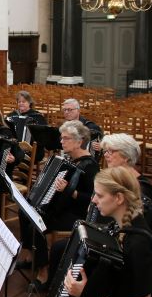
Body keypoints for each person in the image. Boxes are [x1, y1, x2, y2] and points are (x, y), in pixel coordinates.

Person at [64, 166, 152, 297]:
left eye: (99, 195)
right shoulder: (121, 226)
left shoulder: (139, 245)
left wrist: (87, 294)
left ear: (119, 198)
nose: (94, 199)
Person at [17, 120, 99, 284]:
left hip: (77, 214)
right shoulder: (69, 160)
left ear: (79, 141)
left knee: (35, 224)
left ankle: (44, 270)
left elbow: (92, 200)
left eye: (66, 138)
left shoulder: (90, 166)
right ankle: (31, 256)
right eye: (61, 138)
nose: (61, 142)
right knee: (24, 212)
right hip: (60, 208)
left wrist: (71, 191)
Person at [7, 90, 48, 161]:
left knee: (14, 158)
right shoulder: (12, 115)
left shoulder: (37, 117)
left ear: (29, 102)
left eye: (24, 101)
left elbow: (44, 136)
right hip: (15, 148)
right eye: (19, 102)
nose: (21, 103)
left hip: (34, 150)